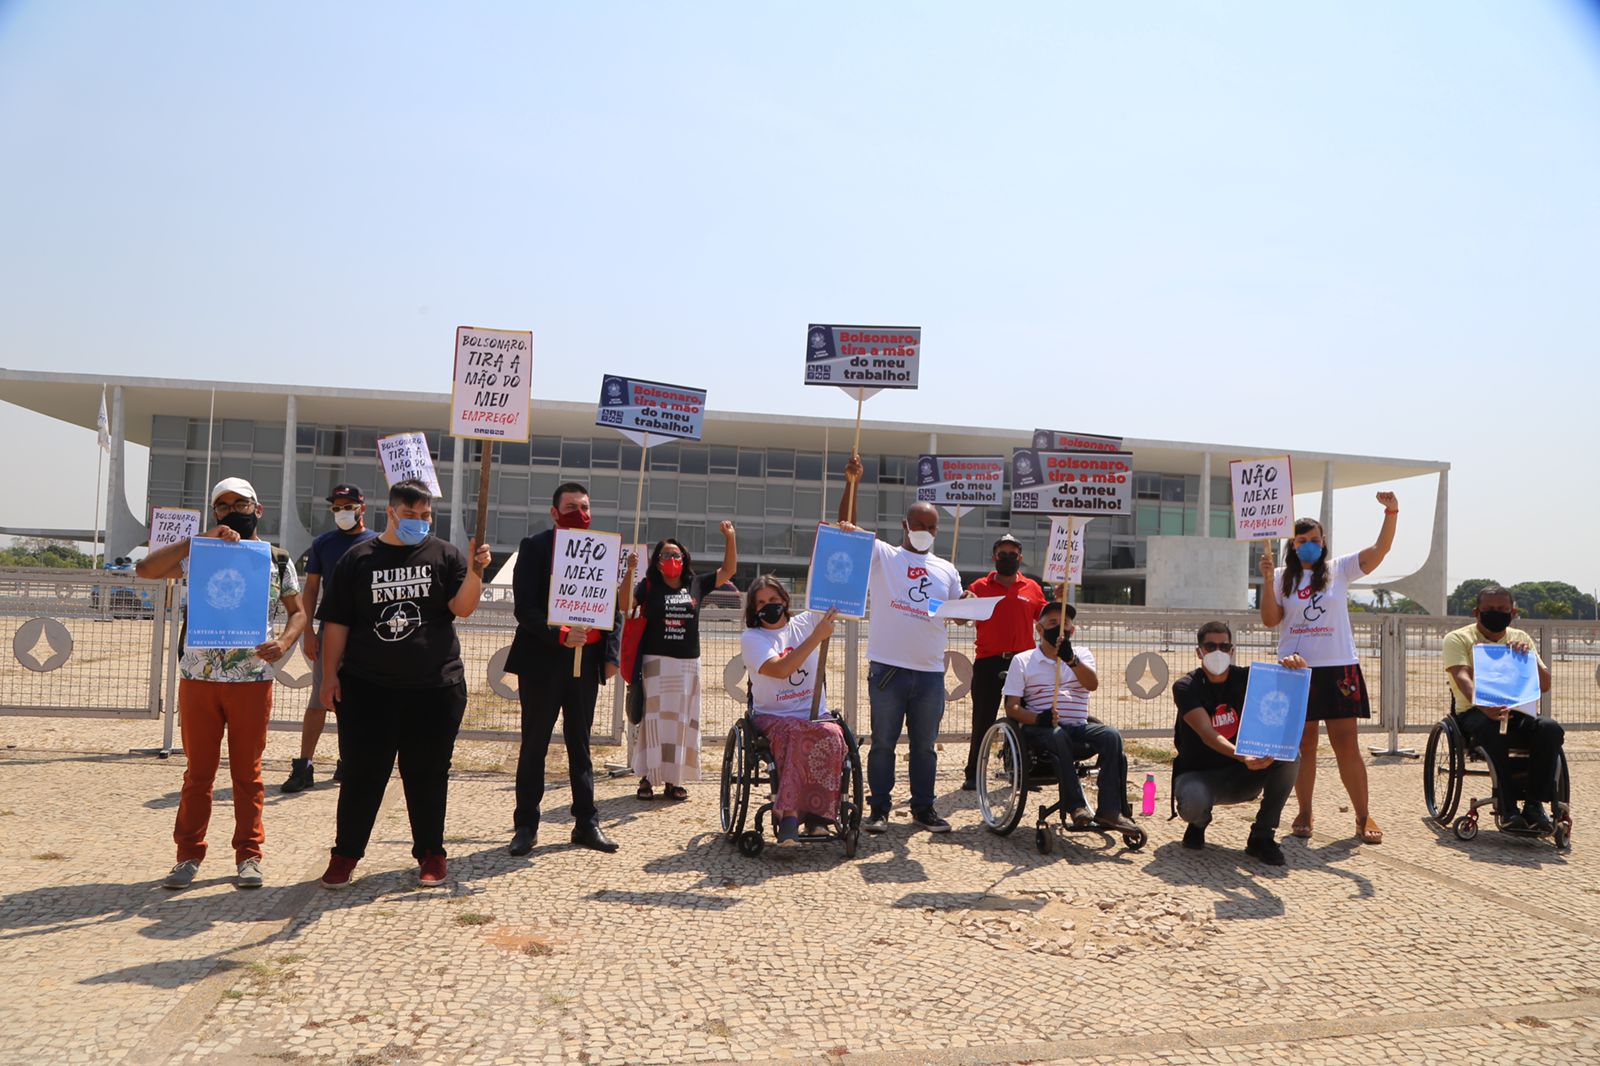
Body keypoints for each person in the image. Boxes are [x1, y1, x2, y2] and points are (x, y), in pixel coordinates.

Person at [315, 478, 490, 889]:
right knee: (362, 773)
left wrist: (477, 571)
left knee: (428, 773)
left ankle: (431, 853)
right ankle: (346, 854)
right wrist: (327, 676)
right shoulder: (358, 558)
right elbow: (337, 621)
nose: (419, 522)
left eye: (425, 515)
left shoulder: (444, 555)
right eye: (410, 515)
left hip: (435, 687)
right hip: (367, 687)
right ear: (390, 513)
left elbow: (462, 609)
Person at [137, 477, 306, 890]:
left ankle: (249, 855)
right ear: (214, 513)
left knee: (248, 774)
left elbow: (298, 612)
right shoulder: (198, 555)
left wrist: (284, 642)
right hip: (198, 678)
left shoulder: (277, 559)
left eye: (240, 503)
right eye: (222, 505)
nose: (232, 511)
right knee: (199, 773)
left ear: (257, 509)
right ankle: (187, 855)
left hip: (251, 678)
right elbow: (145, 570)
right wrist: (199, 541)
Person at [1259, 493, 1398, 845]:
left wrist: (1391, 511)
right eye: (1302, 541)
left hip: (1339, 668)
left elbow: (1380, 550)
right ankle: (1304, 811)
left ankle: (1363, 814)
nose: (1309, 546)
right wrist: (1265, 580)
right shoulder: (1280, 576)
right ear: (1292, 544)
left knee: (1346, 744)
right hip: (1296, 670)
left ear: (1324, 542)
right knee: (1303, 745)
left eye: (1315, 540)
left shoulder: (1339, 569)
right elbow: (1270, 620)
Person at [841, 455, 963, 834]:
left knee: (925, 747)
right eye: (919, 525)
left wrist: (969, 608)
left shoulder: (947, 569)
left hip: (929, 672)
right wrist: (852, 484)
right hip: (888, 669)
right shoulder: (884, 556)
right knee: (883, 744)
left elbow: (957, 612)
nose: (925, 531)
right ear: (905, 526)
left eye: (932, 527)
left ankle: (923, 808)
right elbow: (847, 529)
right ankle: (878, 808)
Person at [505, 481, 622, 856]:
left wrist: (610, 655)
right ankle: (525, 825)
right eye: (572, 506)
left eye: (585, 507)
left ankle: (587, 822)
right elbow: (524, 609)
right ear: (555, 513)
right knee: (534, 744)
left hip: (585, 667)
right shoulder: (536, 547)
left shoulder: (601, 551)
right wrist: (560, 634)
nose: (580, 513)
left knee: (581, 745)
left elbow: (612, 609)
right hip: (541, 664)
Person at [1172, 621, 1309, 866]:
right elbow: (1207, 732)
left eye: (1224, 646)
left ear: (1232, 650)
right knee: (1193, 803)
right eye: (1210, 646)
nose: (1218, 652)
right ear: (1198, 651)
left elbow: (1285, 693)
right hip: (1200, 775)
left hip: (1245, 773)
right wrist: (1242, 755)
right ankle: (1199, 822)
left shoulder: (1250, 679)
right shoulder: (1186, 687)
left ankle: (1262, 836)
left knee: (1291, 756)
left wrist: (1298, 670)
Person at [1002, 601, 1139, 833]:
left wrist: (1071, 660)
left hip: (1078, 727)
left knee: (1111, 735)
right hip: (1042, 729)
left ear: (1072, 631)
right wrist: (1038, 718)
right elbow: (1011, 708)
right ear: (1039, 629)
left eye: (1065, 624)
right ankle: (1076, 807)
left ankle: (1110, 810)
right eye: (1052, 623)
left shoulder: (1083, 654)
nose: (1060, 629)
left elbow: (1092, 684)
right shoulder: (1023, 660)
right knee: (1057, 735)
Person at [631, 521, 738, 800]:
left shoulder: (696, 583)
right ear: (656, 561)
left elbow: (729, 571)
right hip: (655, 661)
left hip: (688, 664)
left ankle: (674, 779)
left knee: (681, 721)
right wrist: (630, 571)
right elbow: (623, 605)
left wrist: (730, 538)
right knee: (653, 719)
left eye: (676, 554)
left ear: (684, 559)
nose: (671, 559)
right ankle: (647, 777)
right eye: (665, 555)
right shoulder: (649, 586)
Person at [281, 483, 377, 793]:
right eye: (337, 508)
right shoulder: (323, 544)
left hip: (367, 634)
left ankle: (349, 761)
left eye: (348, 506)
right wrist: (307, 632)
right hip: (330, 630)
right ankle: (304, 765)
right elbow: (310, 590)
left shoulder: (377, 542)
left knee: (359, 702)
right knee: (319, 698)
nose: (342, 512)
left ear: (362, 508)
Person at [1443, 585, 1561, 832]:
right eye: (1489, 609)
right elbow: (1461, 675)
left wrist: (1527, 658)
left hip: (1519, 711)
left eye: (1502, 609)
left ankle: (1534, 804)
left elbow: (1545, 684)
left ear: (1513, 612)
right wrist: (1484, 704)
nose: (1495, 613)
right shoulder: (1458, 639)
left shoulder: (1521, 639)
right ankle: (1507, 807)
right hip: (1475, 712)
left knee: (1550, 729)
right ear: (1477, 612)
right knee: (1492, 729)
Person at [740, 576, 844, 846]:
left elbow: (835, 592)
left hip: (812, 712)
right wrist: (816, 639)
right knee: (795, 734)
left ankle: (819, 816)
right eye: (761, 602)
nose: (768, 606)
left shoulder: (806, 622)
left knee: (832, 734)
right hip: (773, 716)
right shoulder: (753, 638)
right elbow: (780, 669)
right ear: (753, 608)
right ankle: (789, 816)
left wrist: (842, 538)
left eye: (773, 600)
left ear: (785, 601)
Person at [959, 533, 1046, 791]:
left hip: (1023, 664)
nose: (1007, 558)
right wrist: (961, 604)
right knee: (982, 719)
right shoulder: (978, 587)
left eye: (1012, 554)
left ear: (1020, 558)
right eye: (1002, 554)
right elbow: (960, 619)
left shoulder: (1032, 588)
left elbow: (1045, 618)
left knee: (1023, 718)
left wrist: (1060, 603)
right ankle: (973, 773)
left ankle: (1021, 771)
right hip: (988, 662)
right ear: (994, 557)